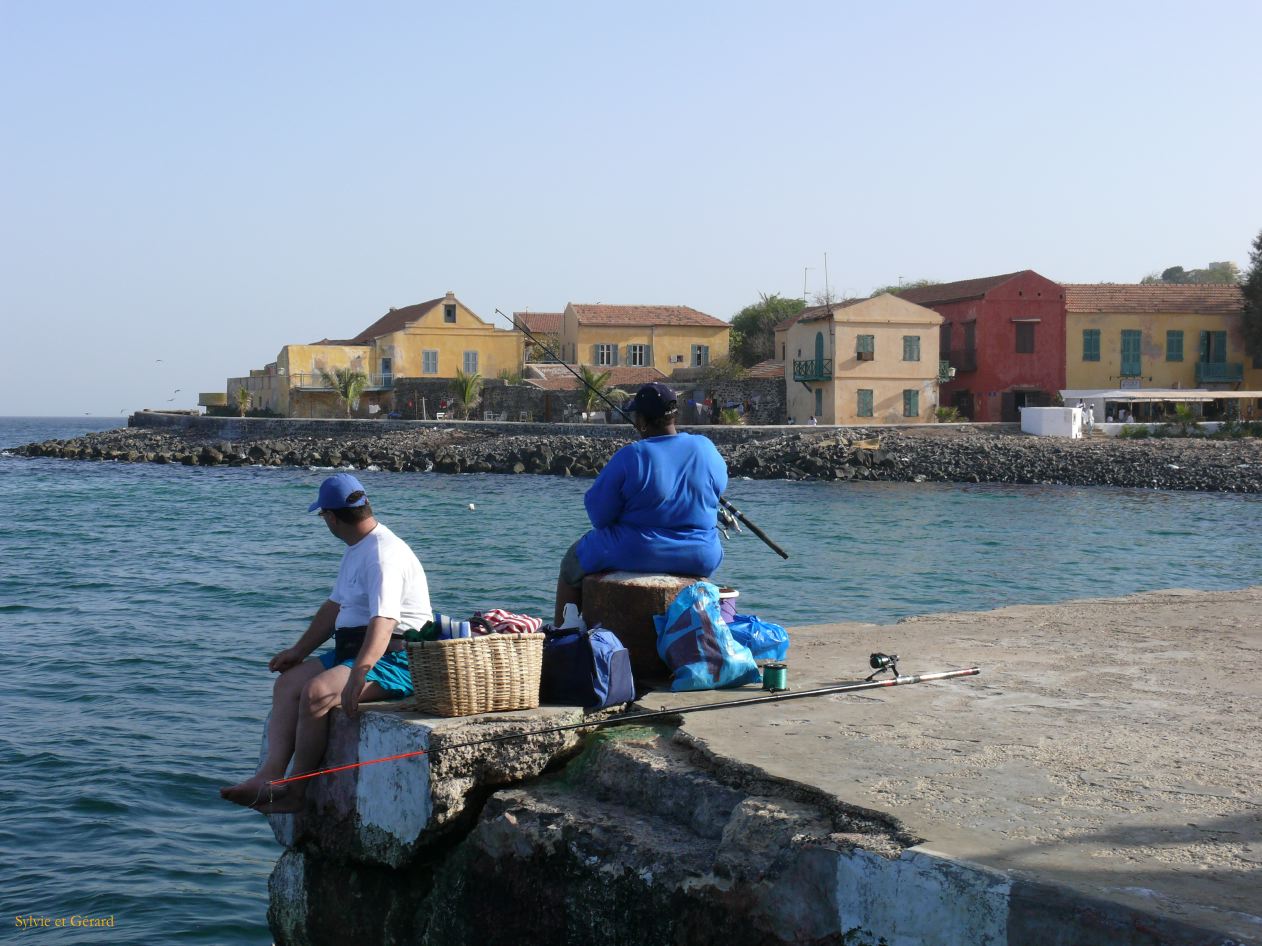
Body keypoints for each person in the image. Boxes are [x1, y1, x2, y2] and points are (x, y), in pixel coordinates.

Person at [220, 473, 432, 814]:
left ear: (331, 517)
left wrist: (360, 671)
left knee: (317, 693)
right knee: (288, 684)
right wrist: (298, 652)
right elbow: (334, 607)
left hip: (394, 659)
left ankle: (295, 790)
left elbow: (385, 621)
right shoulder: (358, 548)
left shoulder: (383, 554)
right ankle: (269, 776)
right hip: (353, 650)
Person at [554, 382, 728, 625]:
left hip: (640, 550)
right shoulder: (706, 447)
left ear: (642, 421)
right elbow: (719, 488)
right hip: (702, 555)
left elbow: (599, 517)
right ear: (674, 415)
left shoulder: (632, 455)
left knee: (571, 562)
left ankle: (563, 632)